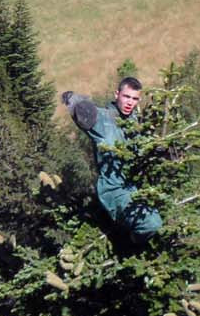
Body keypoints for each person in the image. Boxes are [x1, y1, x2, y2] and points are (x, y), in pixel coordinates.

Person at [61, 77, 163, 243]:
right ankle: (131, 244)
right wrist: (72, 99)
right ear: (117, 94)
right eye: (126, 96)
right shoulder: (102, 119)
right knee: (151, 224)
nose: (130, 102)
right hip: (114, 191)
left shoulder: (136, 124)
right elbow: (83, 111)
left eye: (135, 98)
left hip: (137, 188)